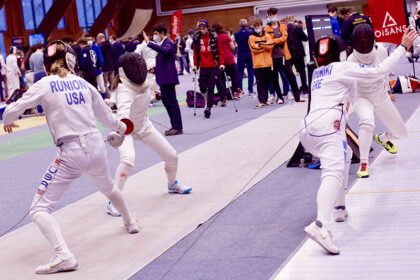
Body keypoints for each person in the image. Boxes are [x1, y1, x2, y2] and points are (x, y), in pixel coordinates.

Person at [2, 41, 139, 274]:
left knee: (38, 208)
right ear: (72, 62)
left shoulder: (45, 83)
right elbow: (109, 120)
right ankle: (131, 222)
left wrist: (7, 121)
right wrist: (121, 131)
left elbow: (14, 109)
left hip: (71, 153)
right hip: (97, 147)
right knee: (108, 187)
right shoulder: (84, 84)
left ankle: (63, 255)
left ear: (47, 65)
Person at [299, 29, 417, 255]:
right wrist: (403, 46)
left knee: (344, 158)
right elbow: (380, 70)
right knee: (333, 172)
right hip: (328, 126)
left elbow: (351, 93)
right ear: (341, 53)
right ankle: (321, 225)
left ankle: (339, 208)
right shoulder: (343, 67)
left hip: (307, 130)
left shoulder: (316, 73)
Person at [105, 52, 192, 216]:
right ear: (125, 71)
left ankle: (172, 184)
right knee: (128, 160)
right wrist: (119, 130)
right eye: (134, 66)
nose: (138, 68)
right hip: (127, 130)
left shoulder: (144, 82)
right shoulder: (124, 89)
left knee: (172, 156)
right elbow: (123, 114)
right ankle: (113, 201)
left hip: (144, 126)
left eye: (139, 64)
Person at [347, 24, 408, 178]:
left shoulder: (380, 50)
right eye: (360, 39)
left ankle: (381, 139)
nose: (363, 41)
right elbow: (351, 84)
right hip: (362, 97)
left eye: (366, 38)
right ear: (354, 42)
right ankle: (364, 162)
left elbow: (385, 71)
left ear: (372, 39)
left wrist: (388, 89)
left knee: (401, 134)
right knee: (367, 121)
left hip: (380, 95)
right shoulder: (351, 60)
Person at [144, 25, 184, 135]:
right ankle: (174, 125)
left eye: (156, 34)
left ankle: (178, 127)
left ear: (162, 33)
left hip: (168, 78)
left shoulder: (168, 43)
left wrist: (149, 43)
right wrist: (155, 69)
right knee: (166, 102)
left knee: (172, 103)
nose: (154, 36)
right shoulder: (163, 44)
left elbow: (165, 51)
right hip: (163, 78)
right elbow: (164, 62)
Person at [192, 19, 225, 118]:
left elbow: (219, 51)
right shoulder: (197, 38)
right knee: (202, 87)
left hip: (213, 66)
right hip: (203, 67)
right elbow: (195, 53)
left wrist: (221, 63)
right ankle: (207, 100)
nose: (202, 30)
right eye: (200, 28)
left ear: (208, 28)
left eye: (204, 28)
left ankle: (208, 108)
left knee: (211, 88)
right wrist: (195, 65)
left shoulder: (214, 37)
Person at [248, 17, 274, 108]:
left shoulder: (267, 35)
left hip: (268, 63)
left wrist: (260, 44)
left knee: (267, 82)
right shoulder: (251, 37)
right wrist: (264, 45)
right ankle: (261, 100)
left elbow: (271, 45)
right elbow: (253, 49)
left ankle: (266, 99)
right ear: (253, 27)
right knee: (260, 83)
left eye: (258, 25)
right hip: (258, 65)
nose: (257, 27)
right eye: (255, 26)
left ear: (261, 25)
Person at [213, 23, 239, 105]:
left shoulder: (213, 38)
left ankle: (223, 97)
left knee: (221, 80)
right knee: (234, 76)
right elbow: (232, 47)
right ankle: (235, 92)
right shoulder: (225, 36)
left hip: (219, 60)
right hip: (229, 59)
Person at [285, 15, 309, 95]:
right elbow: (305, 38)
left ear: (286, 21)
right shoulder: (298, 28)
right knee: (302, 71)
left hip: (289, 53)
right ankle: (304, 88)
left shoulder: (284, 29)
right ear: (293, 20)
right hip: (299, 53)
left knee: (291, 72)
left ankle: (294, 89)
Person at [235, 19, 254, 96]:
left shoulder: (236, 34)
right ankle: (250, 90)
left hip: (241, 53)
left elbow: (236, 42)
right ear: (246, 25)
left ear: (239, 25)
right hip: (249, 53)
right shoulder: (250, 33)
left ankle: (240, 90)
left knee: (239, 72)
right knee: (250, 71)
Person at [97, 33, 115, 98]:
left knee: (105, 84)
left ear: (99, 39)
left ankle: (109, 98)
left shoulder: (100, 47)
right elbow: (113, 56)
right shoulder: (111, 45)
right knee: (113, 84)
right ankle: (116, 98)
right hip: (111, 67)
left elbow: (100, 58)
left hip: (104, 68)